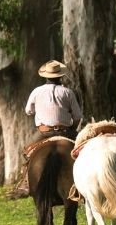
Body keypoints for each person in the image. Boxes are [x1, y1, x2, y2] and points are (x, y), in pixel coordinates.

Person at [14, 60, 85, 195]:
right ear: (61, 76)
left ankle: (26, 181)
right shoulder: (68, 92)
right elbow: (77, 116)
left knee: (27, 151)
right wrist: (73, 129)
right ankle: (88, 182)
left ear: (45, 76)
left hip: (44, 132)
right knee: (85, 150)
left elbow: (28, 111)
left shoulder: (36, 91)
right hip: (65, 132)